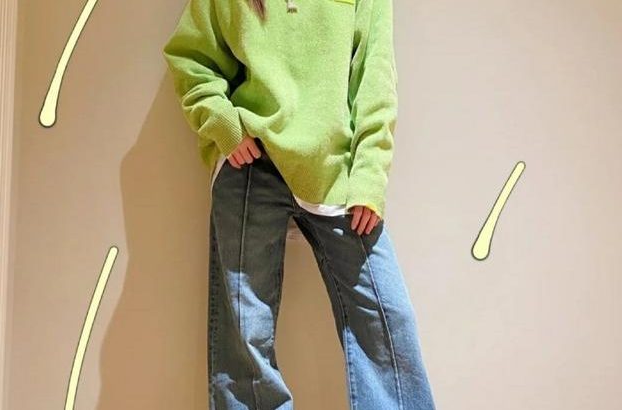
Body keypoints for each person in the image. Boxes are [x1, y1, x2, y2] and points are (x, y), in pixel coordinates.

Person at [162, 0, 437, 408]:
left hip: (335, 172)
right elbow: (191, 57)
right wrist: (223, 123)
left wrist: (369, 175)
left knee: (387, 321)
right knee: (245, 336)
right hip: (251, 165)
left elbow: (374, 76)